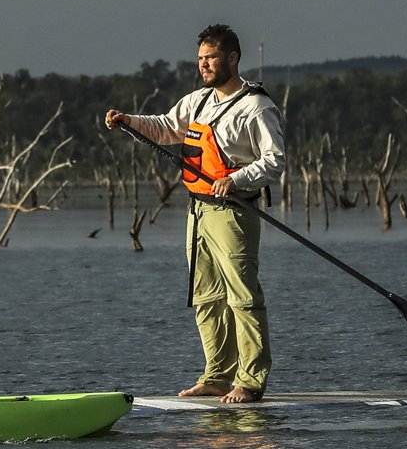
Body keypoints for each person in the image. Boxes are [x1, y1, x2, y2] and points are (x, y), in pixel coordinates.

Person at [103, 24, 286, 403]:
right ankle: (216, 375)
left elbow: (275, 161)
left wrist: (236, 179)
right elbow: (167, 128)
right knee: (205, 295)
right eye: (200, 58)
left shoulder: (257, 106)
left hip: (234, 212)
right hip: (198, 211)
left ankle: (250, 380)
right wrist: (128, 121)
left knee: (242, 296)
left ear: (232, 58)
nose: (204, 65)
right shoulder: (197, 101)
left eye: (211, 58)